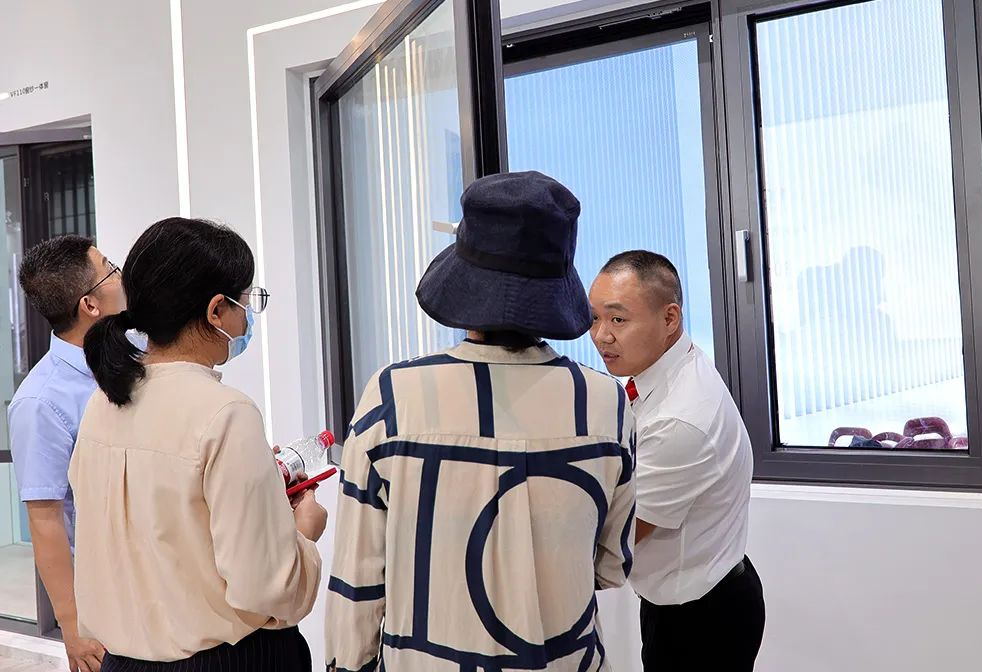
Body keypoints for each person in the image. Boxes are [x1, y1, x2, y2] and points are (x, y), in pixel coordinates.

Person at [325, 171, 636, 672]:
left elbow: (358, 580)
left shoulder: (394, 396)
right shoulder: (605, 403)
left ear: (465, 286)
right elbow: (610, 566)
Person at [69, 217, 326, 671]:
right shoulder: (226, 413)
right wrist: (302, 533)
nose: (247, 317)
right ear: (216, 311)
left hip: (123, 661)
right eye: (246, 301)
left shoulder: (101, 403)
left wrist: (261, 497)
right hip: (229, 660)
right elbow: (264, 587)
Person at [589, 250, 764, 671]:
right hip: (684, 597)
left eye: (618, 319)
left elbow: (617, 540)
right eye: (594, 318)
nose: (600, 336)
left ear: (670, 318)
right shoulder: (671, 367)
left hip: (700, 621)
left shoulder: (680, 419)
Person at [9, 235, 125, 672]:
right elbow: (45, 519)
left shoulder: (129, 355)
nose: (121, 276)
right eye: (110, 269)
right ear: (89, 305)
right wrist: (73, 627)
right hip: (104, 598)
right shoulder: (40, 401)